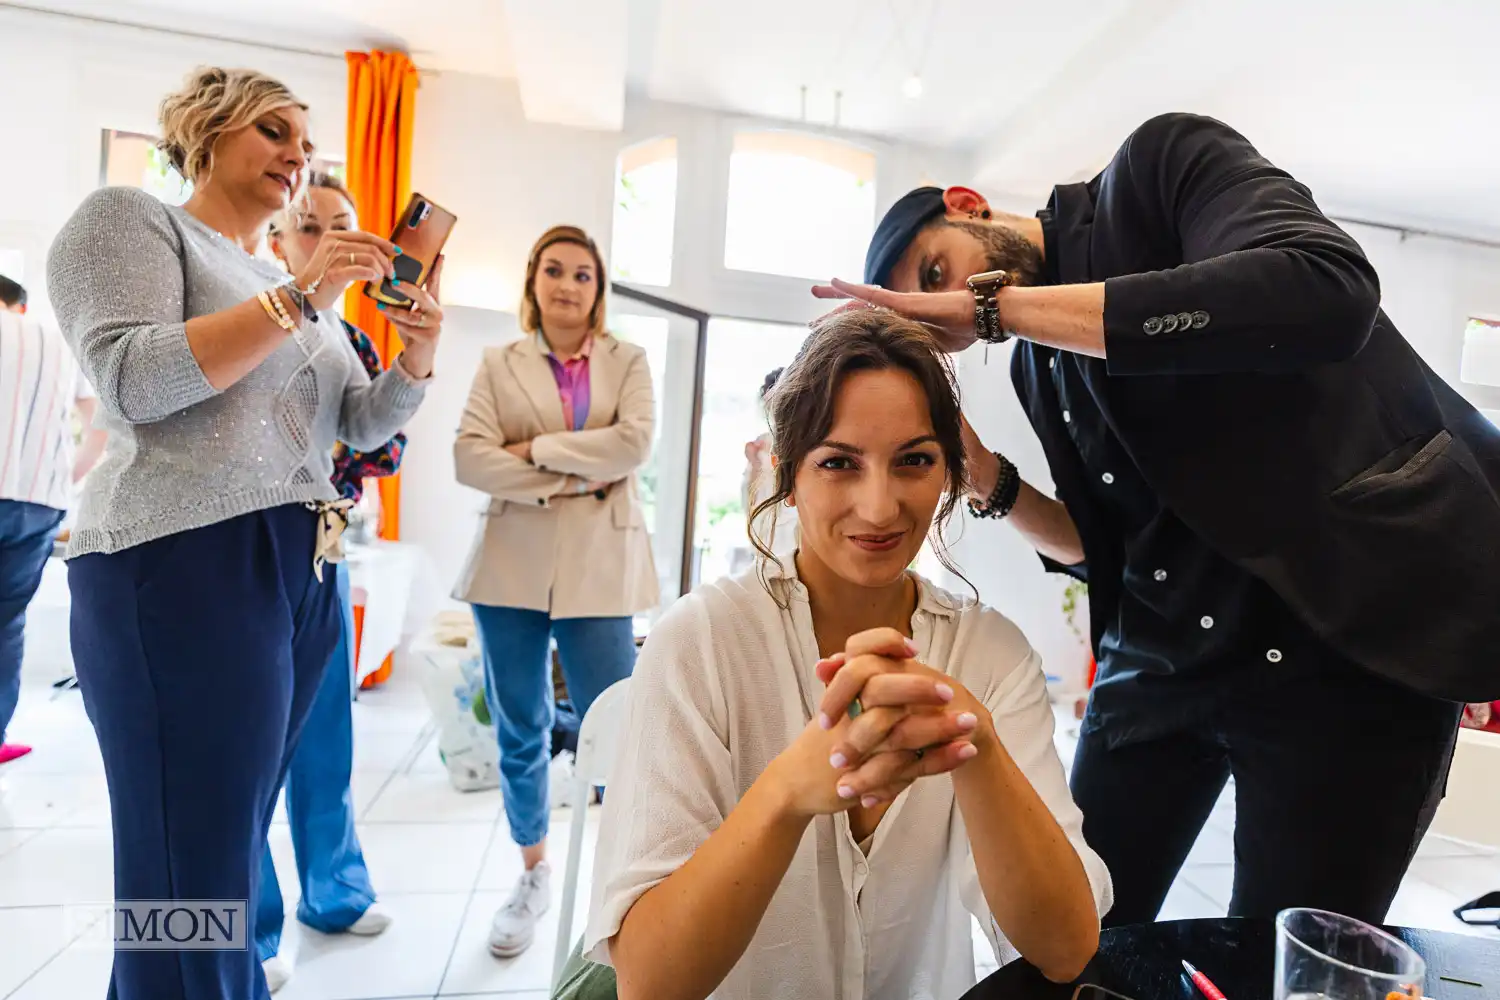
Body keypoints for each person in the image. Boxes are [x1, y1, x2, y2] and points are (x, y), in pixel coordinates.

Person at [815, 111, 1500, 927]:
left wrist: (1002, 311)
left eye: (937, 271)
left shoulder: (1161, 169)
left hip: (1344, 660)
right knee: (1076, 931)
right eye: (930, 318)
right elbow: (1105, 550)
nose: (950, 308)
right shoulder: (1043, 368)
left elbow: (1325, 288)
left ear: (967, 203)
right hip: (1163, 666)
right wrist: (986, 480)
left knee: (1282, 962)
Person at [47, 66, 441, 1000]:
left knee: (219, 840)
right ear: (205, 130)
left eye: (304, 141)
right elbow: (134, 378)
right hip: (177, 559)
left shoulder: (280, 280)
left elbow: (357, 422)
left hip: (295, 572)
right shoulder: (132, 222)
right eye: (274, 130)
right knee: (191, 850)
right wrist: (303, 297)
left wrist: (417, 351)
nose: (298, 154)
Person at [582, 310, 1110, 1000]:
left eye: (914, 461)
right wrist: (785, 793)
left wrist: (975, 746)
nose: (880, 507)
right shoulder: (701, 642)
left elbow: (1066, 949)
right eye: (838, 463)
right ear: (787, 475)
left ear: (948, 473)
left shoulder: (990, 654)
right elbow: (650, 982)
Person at [453, 224, 657, 959]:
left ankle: (628, 878)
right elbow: (470, 460)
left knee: (621, 723)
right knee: (520, 726)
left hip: (601, 564)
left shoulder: (627, 360)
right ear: (533, 281)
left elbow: (633, 445)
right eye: (554, 271)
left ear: (598, 288)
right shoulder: (497, 363)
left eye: (583, 274)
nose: (569, 285)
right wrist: (579, 472)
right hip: (509, 566)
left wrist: (534, 452)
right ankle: (533, 873)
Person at [253, 170, 410, 993]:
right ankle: (254, 931)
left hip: (326, 546)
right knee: (250, 754)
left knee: (326, 740)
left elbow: (381, 446)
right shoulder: (255, 319)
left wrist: (416, 352)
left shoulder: (352, 342)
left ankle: (336, 893)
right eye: (312, 226)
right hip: (248, 552)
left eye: (346, 227)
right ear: (278, 241)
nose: (332, 241)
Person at [0, 275, 106, 765]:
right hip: (38, 500)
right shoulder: (56, 342)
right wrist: (68, 476)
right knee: (7, 622)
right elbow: (99, 421)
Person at [730, 366, 798, 575]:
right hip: (765, 518)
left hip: (792, 518)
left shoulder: (800, 441)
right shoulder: (760, 443)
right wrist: (754, 463)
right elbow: (749, 493)